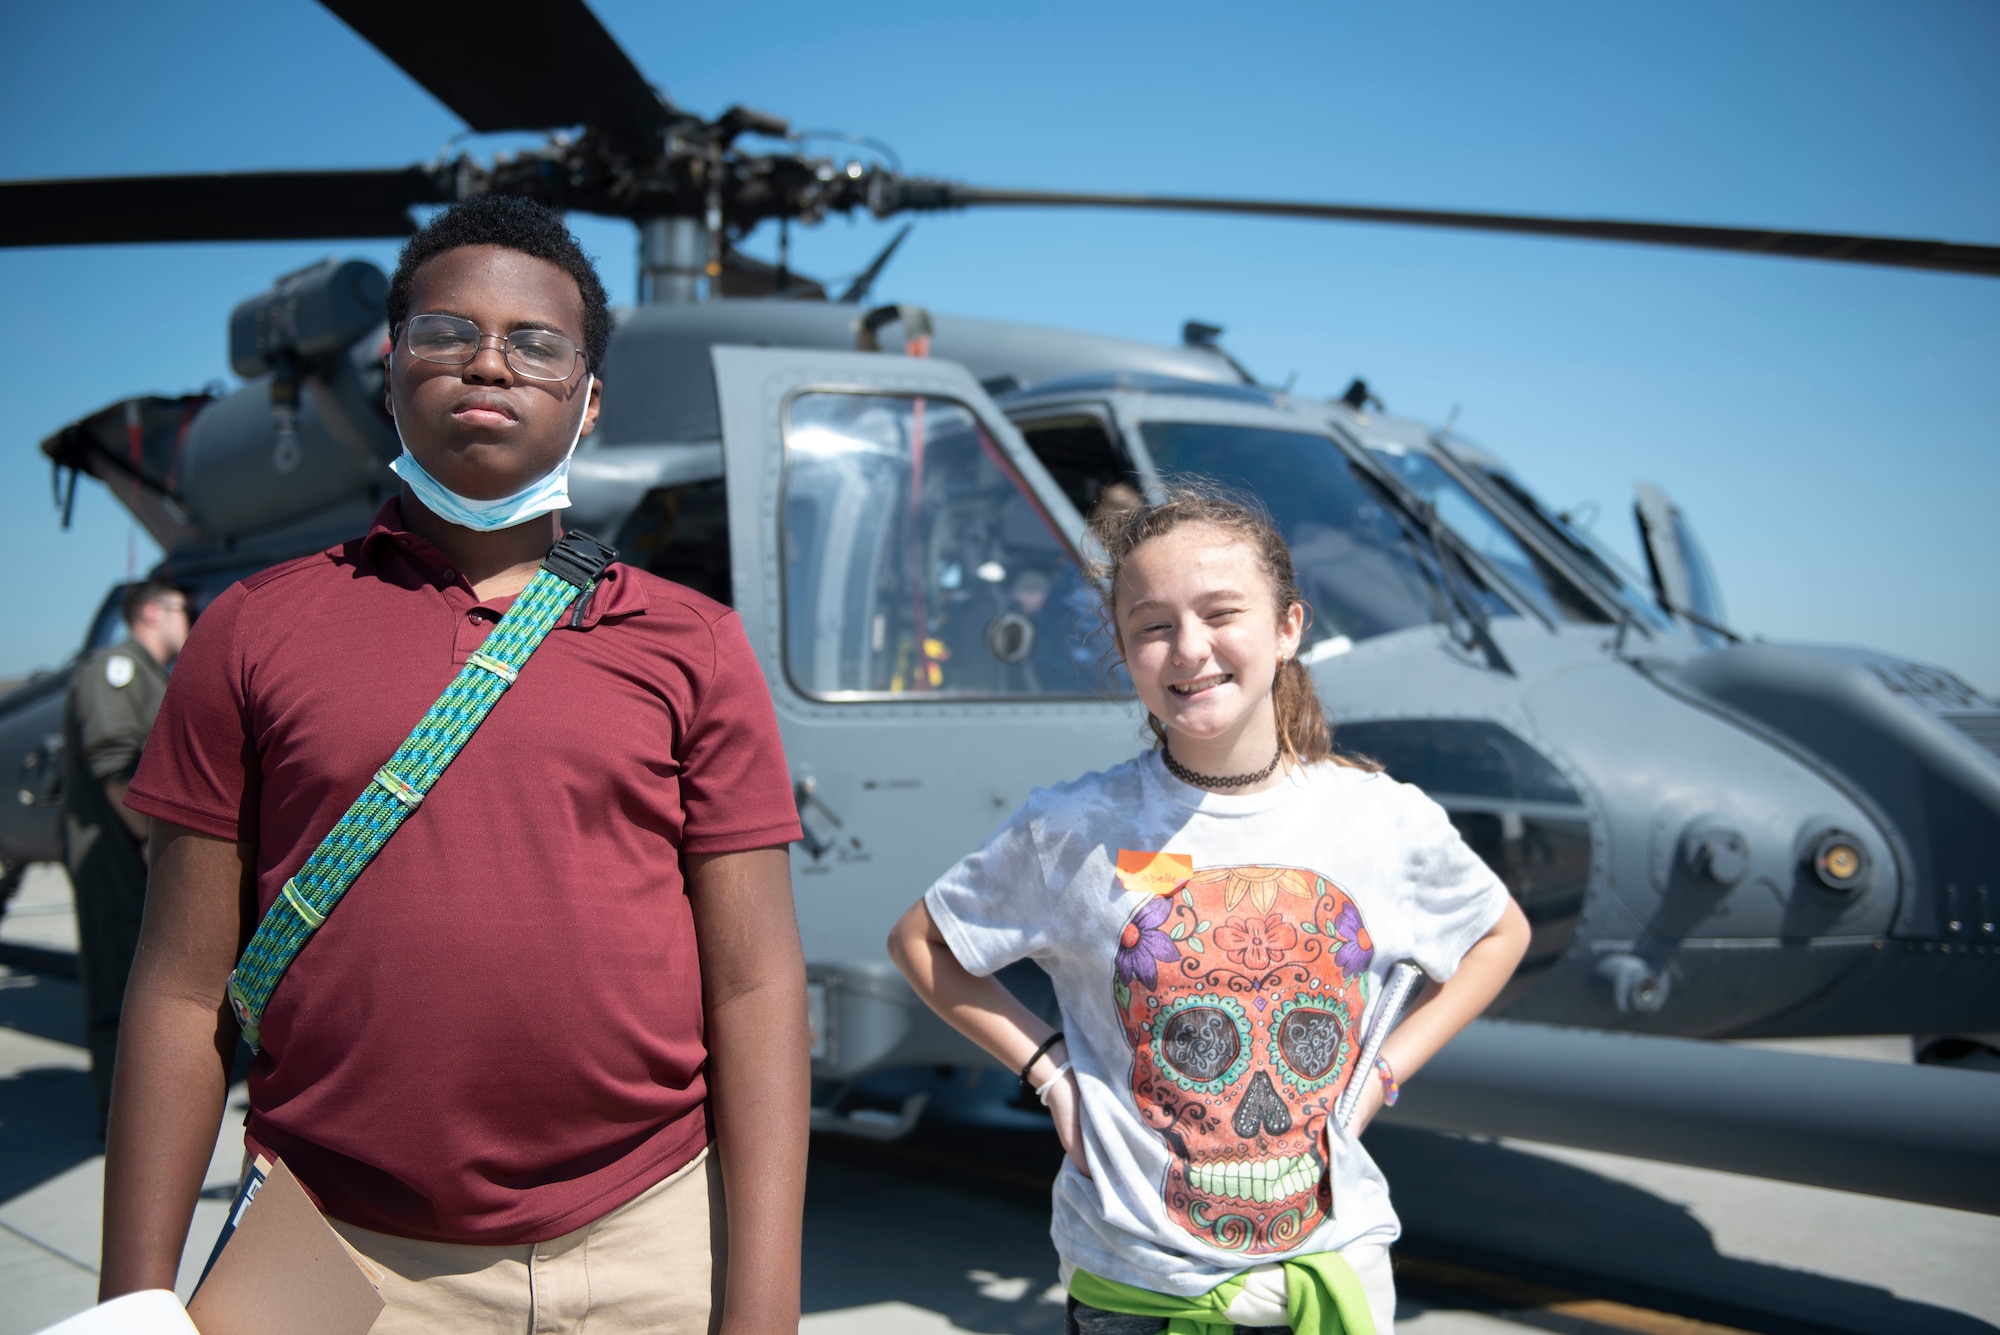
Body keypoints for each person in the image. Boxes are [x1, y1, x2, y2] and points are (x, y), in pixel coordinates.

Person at [104, 196, 810, 1335]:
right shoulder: (249, 630)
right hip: (339, 1252)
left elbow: (757, 985)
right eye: (445, 333)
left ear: (588, 405)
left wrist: (761, 1306)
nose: (488, 360)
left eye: (536, 343)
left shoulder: (693, 643)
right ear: (388, 374)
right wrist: (131, 1302)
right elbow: (183, 990)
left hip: (651, 1243)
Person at [889, 489, 1531, 1334]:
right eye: (1152, 626)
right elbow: (922, 940)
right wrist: (1050, 1074)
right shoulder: (1071, 829)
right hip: (1136, 1290)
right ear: (1123, 649)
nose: (1189, 648)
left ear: (1288, 628)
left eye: (1221, 613)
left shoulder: (1381, 818)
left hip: (1331, 1273)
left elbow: (1499, 931)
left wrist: (1381, 1070)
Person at [61, 577, 189, 1130]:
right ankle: (119, 1115)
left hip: (133, 852)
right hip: (113, 854)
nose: (192, 620)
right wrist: (149, 842)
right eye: (184, 610)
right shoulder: (119, 670)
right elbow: (115, 765)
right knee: (117, 977)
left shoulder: (148, 675)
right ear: (152, 614)